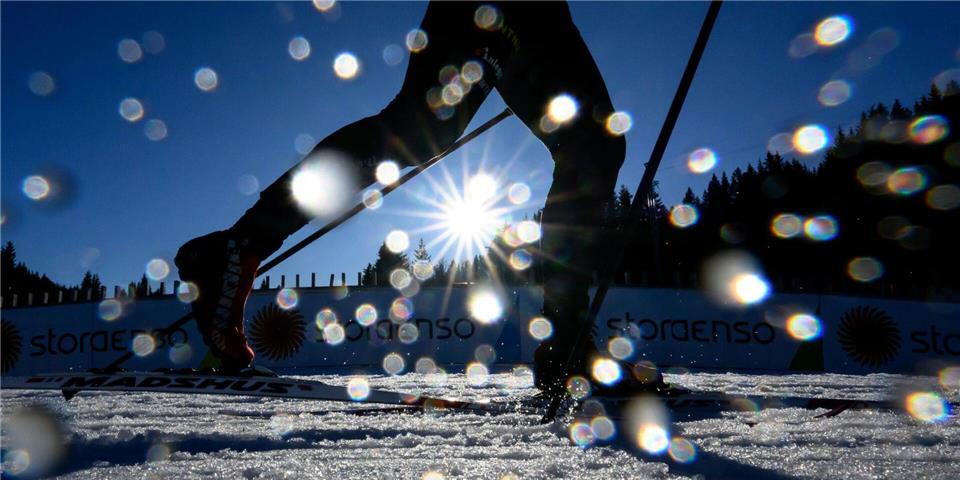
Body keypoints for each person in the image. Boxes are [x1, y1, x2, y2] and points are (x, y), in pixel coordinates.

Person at [176, 1, 660, 395]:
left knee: (581, 142)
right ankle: (239, 247)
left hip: (531, 16)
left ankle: (567, 345)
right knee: (435, 133)